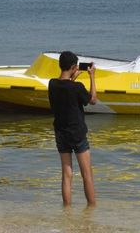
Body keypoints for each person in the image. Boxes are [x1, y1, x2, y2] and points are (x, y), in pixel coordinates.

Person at [48, 51, 97, 207]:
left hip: (61, 133)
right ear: (74, 67)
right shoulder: (77, 87)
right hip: (77, 134)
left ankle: (67, 210)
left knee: (67, 174)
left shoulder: (52, 84)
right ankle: (91, 209)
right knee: (86, 174)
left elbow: (65, 87)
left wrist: (72, 78)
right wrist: (92, 76)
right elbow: (93, 100)